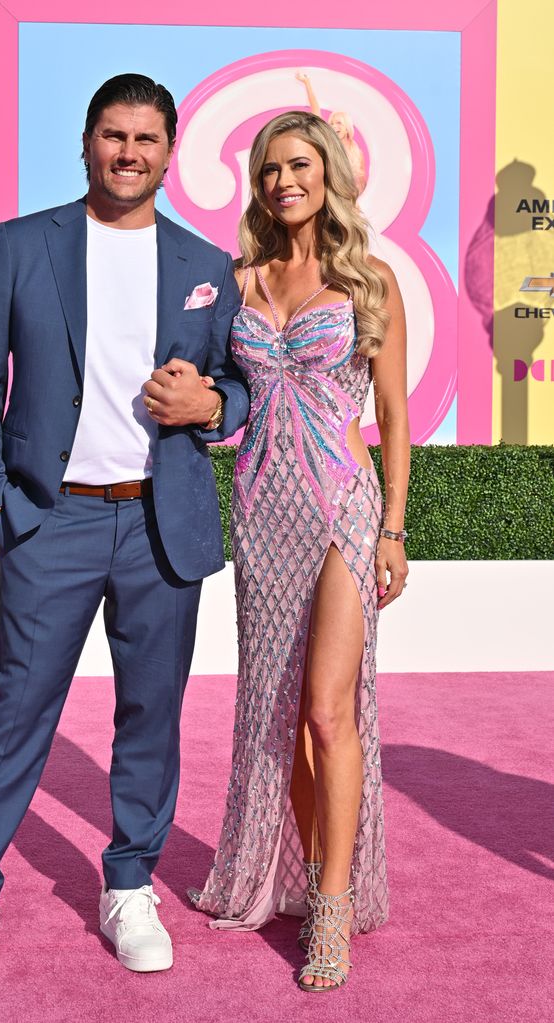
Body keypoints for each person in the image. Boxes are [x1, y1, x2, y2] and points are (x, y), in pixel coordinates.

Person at [0, 73, 249, 998]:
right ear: (88, 141)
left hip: (160, 523)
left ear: (171, 152)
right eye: (114, 135)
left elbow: (240, 389)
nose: (129, 153)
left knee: (151, 715)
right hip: (51, 517)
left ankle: (130, 881)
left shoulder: (204, 265)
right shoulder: (24, 246)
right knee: (16, 711)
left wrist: (214, 400)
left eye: (147, 139)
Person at [191, 110, 409, 992]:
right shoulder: (236, 284)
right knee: (279, 718)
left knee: (328, 711)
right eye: (271, 168)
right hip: (262, 511)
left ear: (330, 175)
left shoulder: (369, 280)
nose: (285, 180)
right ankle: (319, 871)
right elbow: (220, 398)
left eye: (301, 165)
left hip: (345, 508)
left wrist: (395, 527)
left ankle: (330, 912)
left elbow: (392, 418)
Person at [296, 72, 367, 195]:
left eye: (339, 123)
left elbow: (361, 182)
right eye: (332, 123)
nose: (334, 126)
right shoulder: (329, 142)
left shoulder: (356, 153)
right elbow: (315, 110)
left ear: (347, 128)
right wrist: (307, 83)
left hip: (348, 197)